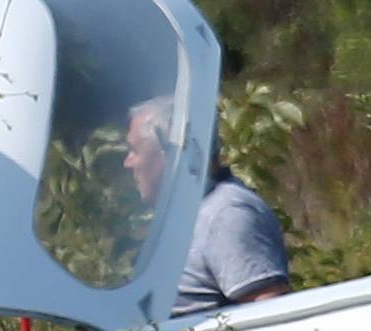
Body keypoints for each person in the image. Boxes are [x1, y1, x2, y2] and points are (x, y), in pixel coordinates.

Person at [122, 97, 291, 317]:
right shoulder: (187, 214)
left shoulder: (226, 214)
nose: (128, 162)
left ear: (171, 153)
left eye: (135, 150)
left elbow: (270, 314)